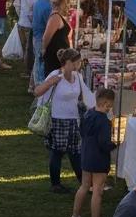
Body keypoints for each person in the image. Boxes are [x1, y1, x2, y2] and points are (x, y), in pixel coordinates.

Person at [34, 47, 93, 193]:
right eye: (77, 63)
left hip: (74, 120)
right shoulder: (56, 75)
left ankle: (83, 182)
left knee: (76, 152)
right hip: (58, 119)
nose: (78, 66)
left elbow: (83, 95)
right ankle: (55, 184)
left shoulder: (77, 76)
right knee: (57, 152)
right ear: (68, 62)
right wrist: (50, 83)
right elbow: (37, 92)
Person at [70, 88, 116, 217]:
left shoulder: (88, 114)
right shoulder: (103, 122)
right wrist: (114, 145)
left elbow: (82, 132)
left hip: (86, 155)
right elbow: (104, 144)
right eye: (111, 105)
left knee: (84, 186)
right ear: (107, 104)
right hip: (99, 159)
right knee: (97, 191)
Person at [42, 0, 73, 76]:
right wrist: (43, 49)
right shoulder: (55, 17)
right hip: (55, 55)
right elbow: (46, 36)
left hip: (60, 54)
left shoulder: (58, 16)